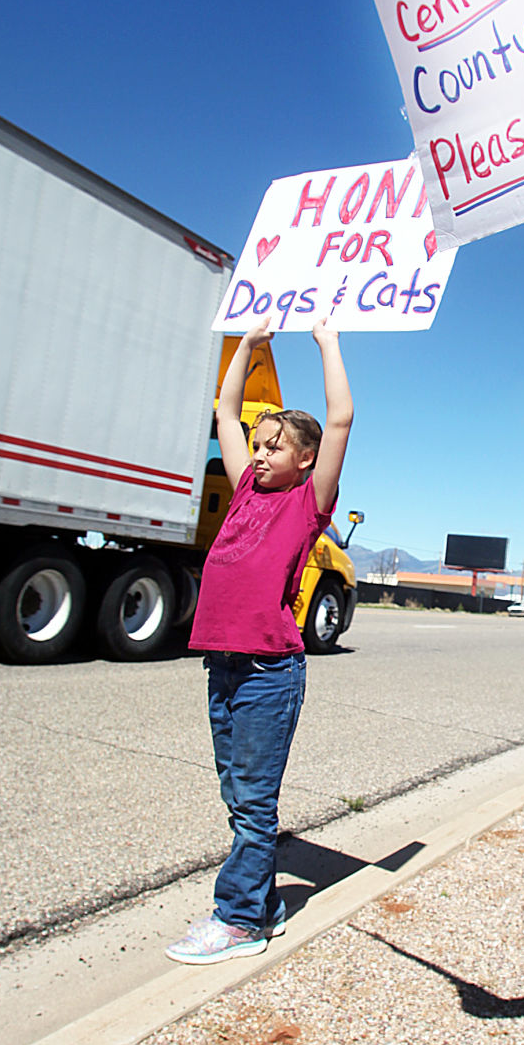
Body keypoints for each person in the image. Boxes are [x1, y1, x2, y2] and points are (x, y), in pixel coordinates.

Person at [166, 315, 354, 966]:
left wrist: (326, 343)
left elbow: (340, 421)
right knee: (235, 793)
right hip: (224, 664)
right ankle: (265, 905)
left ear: (303, 460)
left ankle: (239, 919)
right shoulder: (246, 488)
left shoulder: (306, 503)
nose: (261, 450)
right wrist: (249, 344)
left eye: (274, 445)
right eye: (258, 441)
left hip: (269, 671)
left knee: (252, 803)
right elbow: (224, 408)